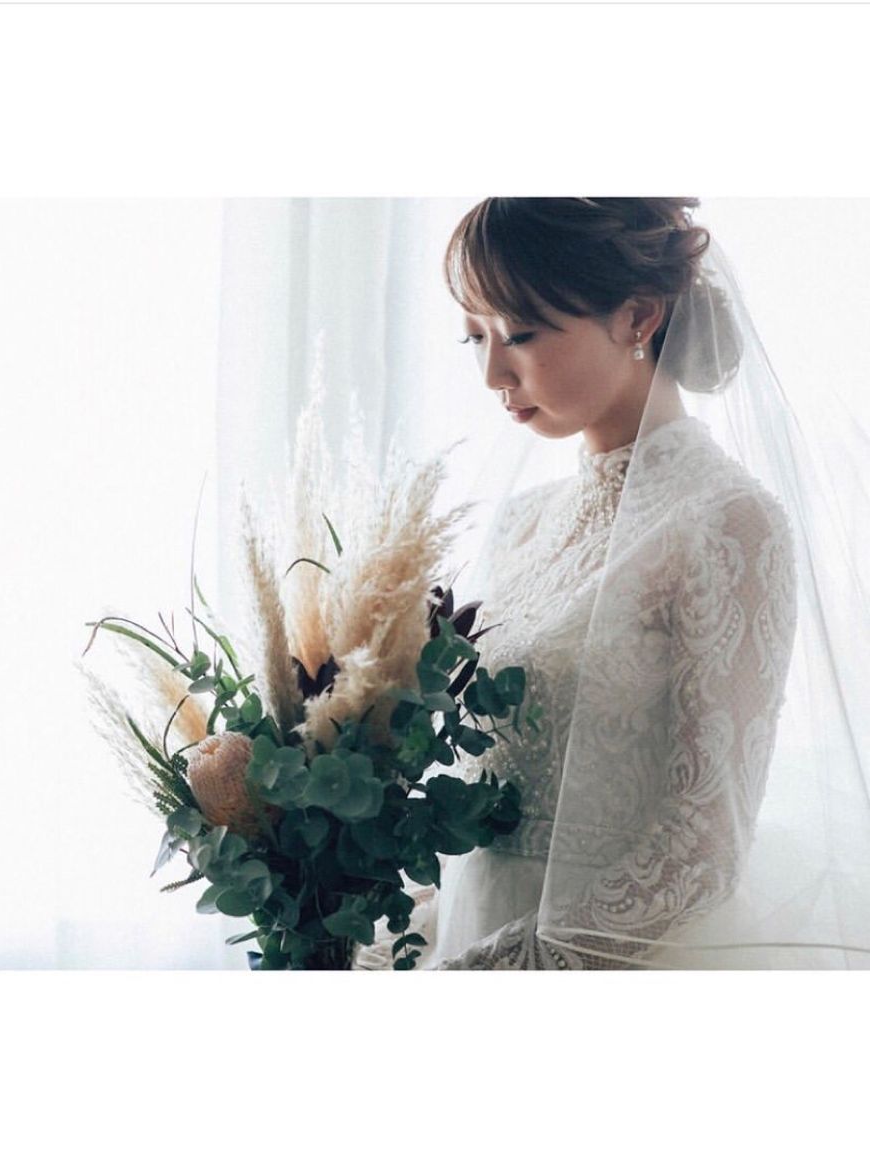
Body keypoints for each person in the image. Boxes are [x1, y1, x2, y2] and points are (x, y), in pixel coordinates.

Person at [359, 197, 870, 969]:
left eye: (519, 333)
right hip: (470, 938)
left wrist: (500, 972)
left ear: (638, 317)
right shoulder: (522, 523)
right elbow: (483, 794)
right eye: (475, 337)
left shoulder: (729, 523)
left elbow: (705, 846)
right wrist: (396, 941)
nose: (494, 372)